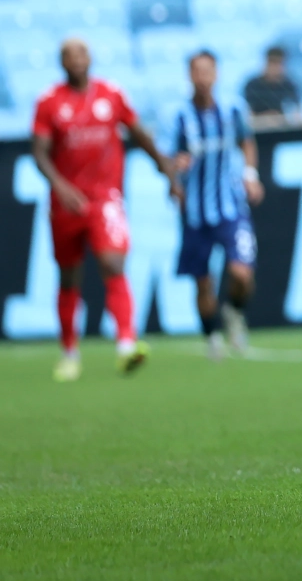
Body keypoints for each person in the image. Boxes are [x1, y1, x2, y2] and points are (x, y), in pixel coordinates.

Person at [32, 38, 180, 382]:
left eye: (82, 54)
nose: (77, 60)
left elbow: (138, 132)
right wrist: (60, 186)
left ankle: (126, 343)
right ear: (61, 63)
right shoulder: (49, 102)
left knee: (113, 262)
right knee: (69, 275)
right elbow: (39, 152)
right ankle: (69, 352)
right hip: (66, 202)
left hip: (105, 197)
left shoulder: (111, 94)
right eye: (70, 56)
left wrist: (163, 165)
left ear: (90, 58)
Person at [171, 50, 262, 361]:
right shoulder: (179, 116)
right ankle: (211, 336)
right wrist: (175, 170)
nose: (203, 77)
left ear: (217, 73)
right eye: (197, 71)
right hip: (196, 213)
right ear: (189, 75)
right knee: (203, 282)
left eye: (208, 70)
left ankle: (234, 312)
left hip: (231, 207)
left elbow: (247, 142)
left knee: (242, 273)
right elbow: (168, 158)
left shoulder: (233, 109)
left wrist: (250, 175)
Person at [242, 46, 302, 130]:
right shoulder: (252, 86)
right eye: (273, 62)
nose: (276, 68)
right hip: (259, 132)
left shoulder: (290, 86)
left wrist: (280, 119)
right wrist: (266, 119)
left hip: (285, 131)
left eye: (279, 63)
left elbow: (298, 116)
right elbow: (247, 119)